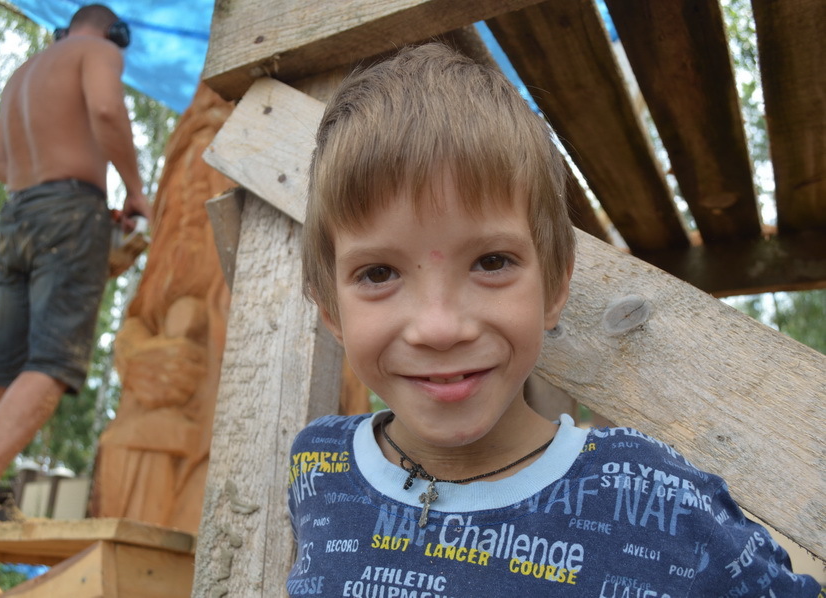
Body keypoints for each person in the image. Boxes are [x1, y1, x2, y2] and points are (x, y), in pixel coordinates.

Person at [287, 43, 822, 596]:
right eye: (378, 273)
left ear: (555, 285)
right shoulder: (317, 468)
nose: (440, 328)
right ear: (331, 308)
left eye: (492, 262)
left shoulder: (657, 498)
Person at [0, 4, 150, 522]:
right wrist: (133, 191)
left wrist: (55, 175)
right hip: (70, 213)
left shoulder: (21, 74)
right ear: (115, 33)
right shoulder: (98, 51)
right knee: (52, 361)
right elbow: (108, 112)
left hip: (18, 214)